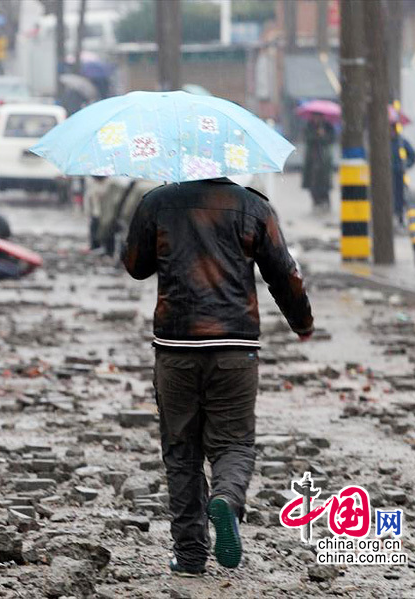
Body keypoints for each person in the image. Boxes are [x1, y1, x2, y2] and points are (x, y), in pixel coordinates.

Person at [122, 178, 314, 577]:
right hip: (235, 347)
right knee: (235, 443)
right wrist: (302, 321)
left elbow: (135, 267)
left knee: (181, 449)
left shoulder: (157, 202)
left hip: (175, 347)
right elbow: (283, 273)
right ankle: (226, 497)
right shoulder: (254, 207)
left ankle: (190, 555)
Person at [301, 113, 335, 212]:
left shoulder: (328, 126)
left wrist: (323, 135)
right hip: (312, 158)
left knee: (324, 181)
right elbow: (308, 138)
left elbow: (331, 139)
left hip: (324, 159)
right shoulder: (309, 126)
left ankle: (325, 200)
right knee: (312, 181)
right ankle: (316, 201)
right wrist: (317, 135)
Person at [390, 127, 415, 226]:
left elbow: (413, 156)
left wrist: (405, 165)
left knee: (399, 197)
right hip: (386, 176)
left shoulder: (401, 142)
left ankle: (400, 218)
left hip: (398, 174)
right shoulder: (383, 142)